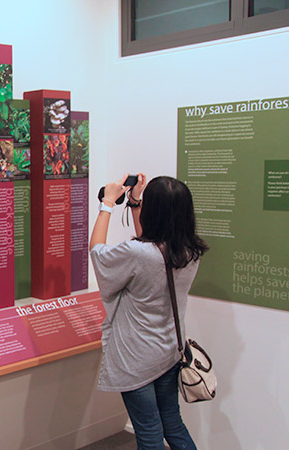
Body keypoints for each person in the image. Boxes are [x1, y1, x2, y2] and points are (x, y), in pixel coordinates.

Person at [89, 174, 208, 450]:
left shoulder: (139, 254)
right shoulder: (189, 251)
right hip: (168, 351)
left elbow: (98, 252)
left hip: (137, 357)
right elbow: (150, 243)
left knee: (149, 431)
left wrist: (107, 203)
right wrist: (133, 202)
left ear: (154, 211)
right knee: (172, 423)